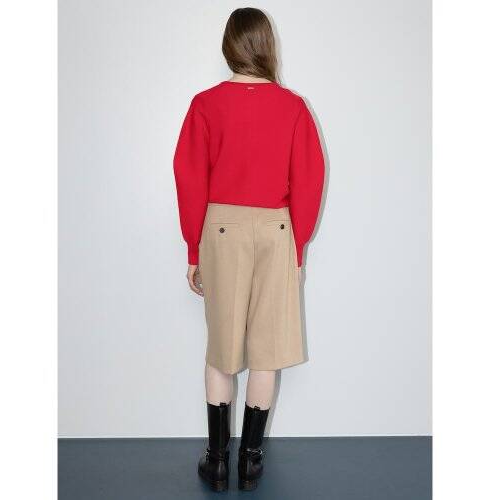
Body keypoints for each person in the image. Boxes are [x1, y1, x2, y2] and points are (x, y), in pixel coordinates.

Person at [174, 7, 325, 492]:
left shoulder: (205, 104)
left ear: (229, 46)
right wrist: (297, 248)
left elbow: (189, 178)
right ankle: (251, 462)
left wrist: (193, 249)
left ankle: (218, 460)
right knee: (266, 352)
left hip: (222, 230)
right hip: (277, 231)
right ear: (266, 46)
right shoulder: (293, 107)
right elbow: (310, 181)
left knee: (221, 349)